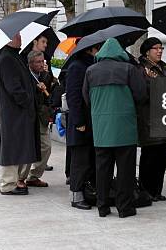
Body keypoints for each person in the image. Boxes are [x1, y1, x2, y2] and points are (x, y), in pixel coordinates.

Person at [82, 38, 147, 218]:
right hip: (125, 128)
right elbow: (141, 95)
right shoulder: (128, 69)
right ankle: (124, 208)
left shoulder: (90, 71)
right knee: (125, 171)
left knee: (102, 170)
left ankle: (102, 206)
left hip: (101, 129)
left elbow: (86, 98)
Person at [0, 32, 40, 196]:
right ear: (8, 40)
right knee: (12, 147)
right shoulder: (7, 58)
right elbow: (14, 87)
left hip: (19, 111)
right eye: (17, 36)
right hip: (14, 112)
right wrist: (27, 101)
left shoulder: (15, 56)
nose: (20, 38)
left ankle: (15, 180)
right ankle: (8, 184)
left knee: (19, 145)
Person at [137, 37, 166, 202]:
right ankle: (146, 190)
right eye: (155, 48)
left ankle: (157, 190)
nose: (159, 51)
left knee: (162, 156)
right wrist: (152, 82)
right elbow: (141, 94)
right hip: (149, 118)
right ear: (147, 51)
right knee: (149, 157)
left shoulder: (164, 68)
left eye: (161, 48)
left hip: (165, 117)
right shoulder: (140, 69)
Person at [66, 43, 101, 210]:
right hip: (80, 123)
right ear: (90, 49)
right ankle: (76, 195)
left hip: (91, 121)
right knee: (80, 161)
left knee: (90, 159)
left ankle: (89, 192)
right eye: (98, 48)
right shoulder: (76, 67)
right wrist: (79, 121)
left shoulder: (91, 65)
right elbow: (74, 97)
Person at [25, 50, 54, 188]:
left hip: (41, 115)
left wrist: (47, 77)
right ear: (30, 63)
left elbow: (49, 95)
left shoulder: (43, 75)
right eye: (38, 62)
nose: (41, 64)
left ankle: (34, 175)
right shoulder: (26, 75)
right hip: (29, 116)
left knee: (46, 147)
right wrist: (36, 89)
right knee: (28, 148)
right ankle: (21, 177)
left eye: (42, 61)